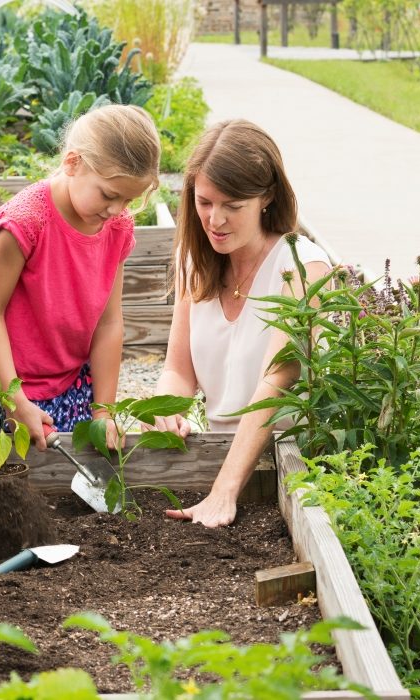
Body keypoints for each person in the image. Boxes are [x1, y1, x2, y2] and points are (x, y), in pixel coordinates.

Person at [149, 119, 331, 528]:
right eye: (204, 202)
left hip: (292, 464)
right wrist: (165, 408)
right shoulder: (195, 262)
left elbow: (276, 383)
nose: (215, 220)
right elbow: (178, 370)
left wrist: (224, 492)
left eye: (232, 206)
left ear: (267, 197)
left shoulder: (301, 267)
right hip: (218, 456)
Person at [0, 104, 161, 451]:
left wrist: (103, 410)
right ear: (73, 163)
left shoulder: (117, 226)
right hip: (9, 388)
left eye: (128, 200)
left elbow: (109, 322)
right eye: (108, 195)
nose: (116, 210)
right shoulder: (26, 220)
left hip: (73, 384)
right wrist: (14, 400)